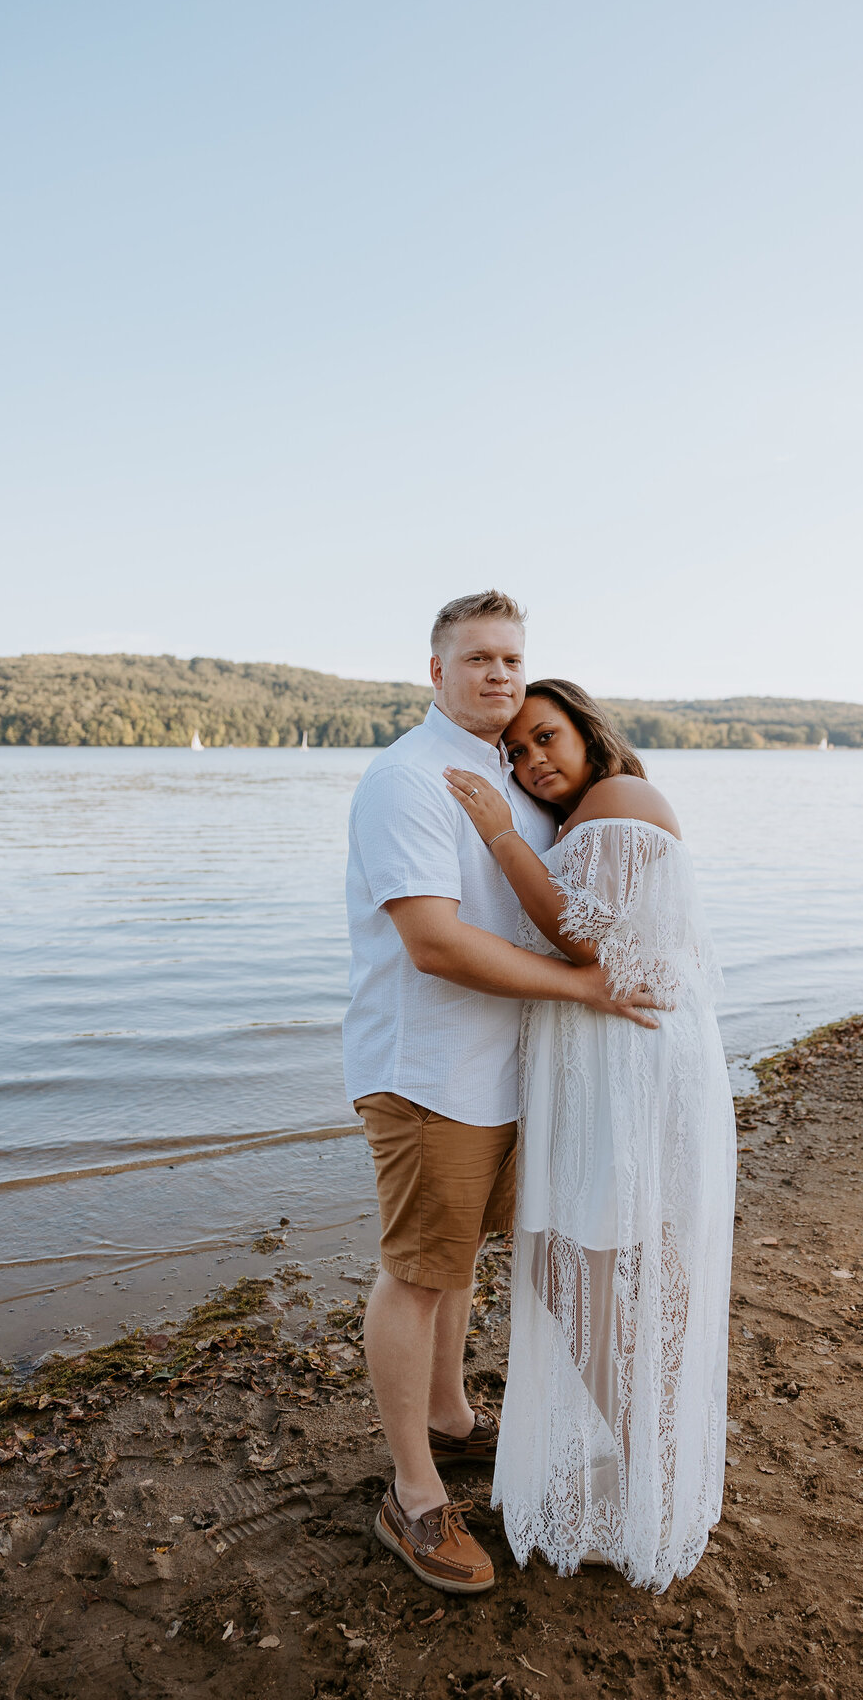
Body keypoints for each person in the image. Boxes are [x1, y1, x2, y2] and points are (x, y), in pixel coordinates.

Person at [343, 593, 664, 1596]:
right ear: (433, 671)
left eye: (512, 660)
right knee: (418, 1272)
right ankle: (413, 1495)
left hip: (513, 1072)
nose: (497, 676)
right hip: (431, 1070)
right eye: (476, 658)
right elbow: (433, 943)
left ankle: (449, 1419)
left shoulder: (516, 777)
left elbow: (554, 906)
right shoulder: (406, 779)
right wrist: (583, 986)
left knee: (463, 1263)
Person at [443, 678, 736, 1591]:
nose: (532, 763)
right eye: (518, 756)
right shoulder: (587, 820)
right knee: (611, 1261)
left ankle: (650, 1465)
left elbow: (583, 937)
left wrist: (496, 828)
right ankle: (656, 1449)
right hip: (619, 1064)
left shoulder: (619, 796)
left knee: (586, 1264)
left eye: (546, 738)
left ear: (588, 732)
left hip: (630, 1064)